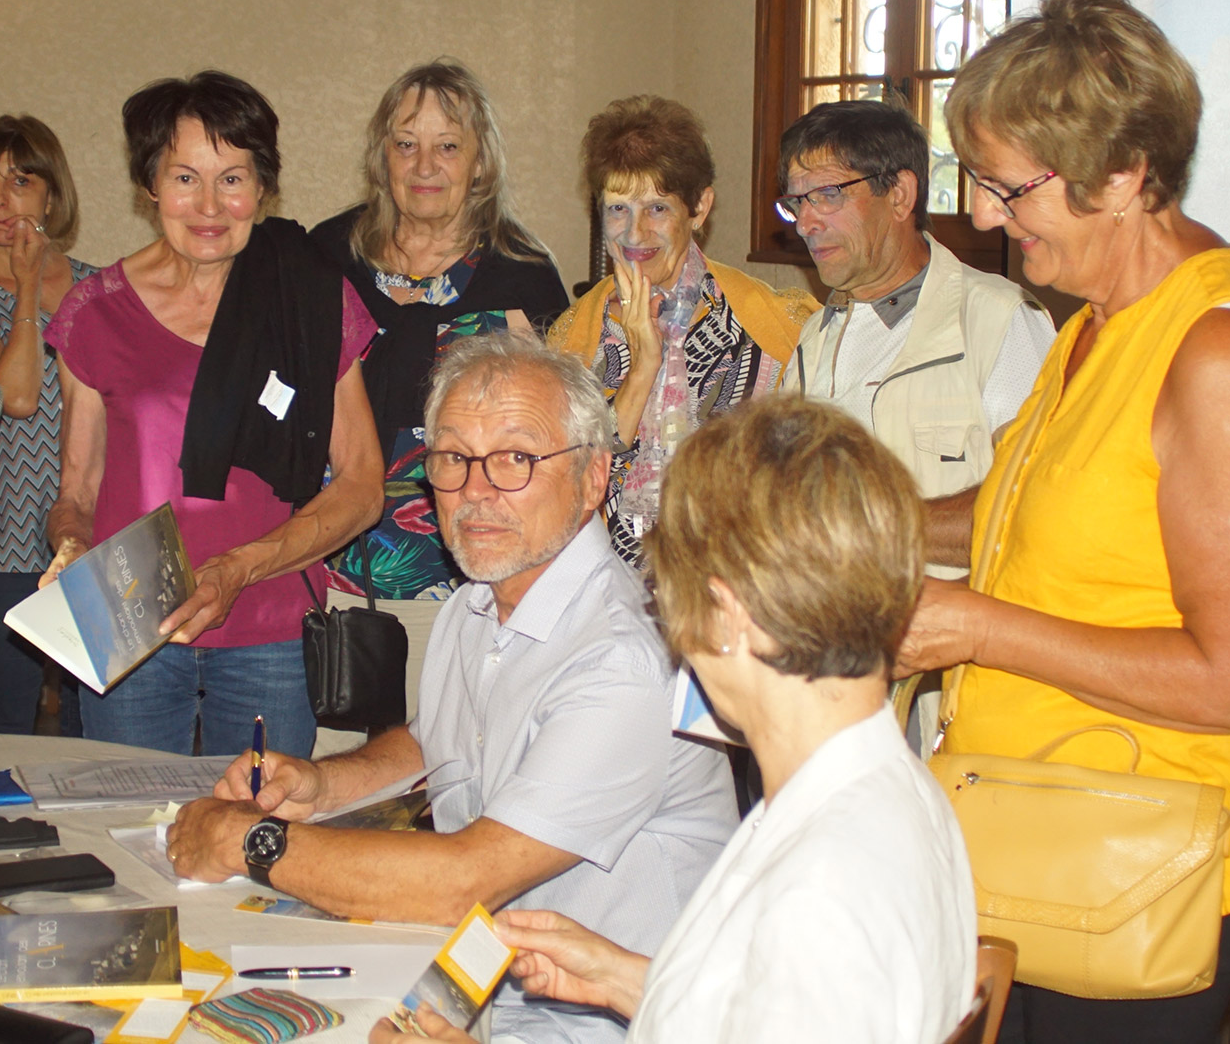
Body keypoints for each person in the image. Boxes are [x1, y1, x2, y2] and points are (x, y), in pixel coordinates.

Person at [895, 0, 1230, 1043]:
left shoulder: (1213, 354)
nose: (988, 217)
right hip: (1034, 828)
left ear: (1126, 174)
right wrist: (877, 529)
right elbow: (1020, 520)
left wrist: (971, 627)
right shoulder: (1099, 318)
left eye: (1009, 188)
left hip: (1134, 862)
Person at [167, 332, 736, 1044]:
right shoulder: (480, 599)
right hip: (486, 994)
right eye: (453, 458)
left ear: (593, 478)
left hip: (615, 1022)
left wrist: (250, 839)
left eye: (515, 459)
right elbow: (439, 734)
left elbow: (465, 878)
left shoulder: (621, 659)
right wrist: (324, 785)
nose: (475, 491)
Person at [371, 395, 977, 1044]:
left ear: (726, 614)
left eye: (667, 591)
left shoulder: (822, 883)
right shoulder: (888, 790)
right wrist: (632, 979)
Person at [41, 71, 383, 759]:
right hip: (126, 624)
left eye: (232, 178)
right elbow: (75, 491)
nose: (208, 204)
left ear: (263, 188)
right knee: (126, 829)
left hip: (270, 626)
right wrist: (71, 546)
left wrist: (239, 569)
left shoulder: (311, 298)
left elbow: (362, 484)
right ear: (149, 187)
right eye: (184, 177)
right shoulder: (94, 311)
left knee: (257, 834)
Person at [311, 60, 568, 721]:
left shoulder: (524, 274)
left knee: (448, 784)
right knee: (332, 778)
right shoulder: (324, 257)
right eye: (406, 144)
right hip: (330, 577)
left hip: (473, 585)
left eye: (448, 146)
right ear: (381, 157)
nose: (425, 164)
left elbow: (557, 437)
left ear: (479, 162)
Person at [775, 100, 1055, 577]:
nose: (805, 223)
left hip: (952, 640)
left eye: (826, 195)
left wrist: (870, 527)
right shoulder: (813, 338)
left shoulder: (998, 320)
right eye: (796, 203)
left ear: (901, 195)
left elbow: (1038, 510)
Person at [549, 96, 817, 568]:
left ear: (699, 207)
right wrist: (642, 369)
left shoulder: (778, 327)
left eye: (656, 208)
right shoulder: (572, 340)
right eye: (618, 209)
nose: (635, 234)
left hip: (736, 596)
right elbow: (563, 494)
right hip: (606, 604)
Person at [0, 115, 98, 735]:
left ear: (51, 193)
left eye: (20, 179)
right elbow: (16, 393)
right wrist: (28, 285)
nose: (0, 198)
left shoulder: (100, 289)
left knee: (88, 732)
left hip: (88, 538)